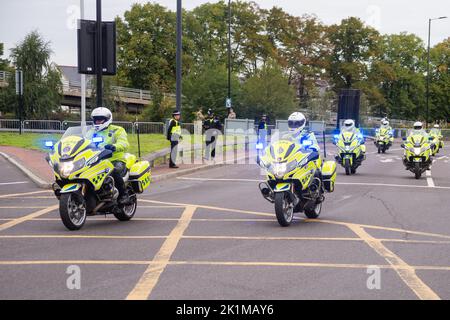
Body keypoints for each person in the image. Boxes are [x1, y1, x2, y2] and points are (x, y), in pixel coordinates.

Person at [89, 107, 130, 204]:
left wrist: (114, 146)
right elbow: (83, 142)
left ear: (107, 119)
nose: (98, 121)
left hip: (115, 160)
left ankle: (124, 194)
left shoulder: (117, 130)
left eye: (100, 119)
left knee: (113, 170)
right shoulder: (91, 132)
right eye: (96, 119)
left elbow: (124, 143)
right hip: (97, 160)